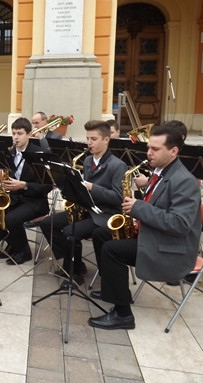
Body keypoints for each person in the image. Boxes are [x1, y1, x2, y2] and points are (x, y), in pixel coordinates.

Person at [88, 126, 201, 330]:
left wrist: (138, 207)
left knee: (112, 250)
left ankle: (123, 314)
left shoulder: (185, 181)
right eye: (149, 147)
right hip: (153, 234)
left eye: (155, 149)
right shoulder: (159, 171)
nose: (149, 153)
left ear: (173, 151)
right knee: (101, 233)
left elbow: (180, 224)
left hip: (171, 248)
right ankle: (114, 289)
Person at [39, 120, 126, 285]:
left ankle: (76, 274)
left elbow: (117, 197)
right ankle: (73, 263)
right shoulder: (87, 161)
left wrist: (93, 188)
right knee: (47, 224)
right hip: (86, 209)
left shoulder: (118, 165)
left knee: (70, 233)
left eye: (93, 139)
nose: (89, 143)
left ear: (106, 140)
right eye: (87, 138)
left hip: (104, 214)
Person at [0, 118, 52, 265]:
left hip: (35, 201)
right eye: (14, 133)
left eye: (20, 134)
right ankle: (13, 244)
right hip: (15, 198)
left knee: (11, 219)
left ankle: (24, 252)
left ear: (29, 134)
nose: (16, 137)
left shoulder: (39, 154)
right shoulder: (10, 152)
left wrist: (24, 185)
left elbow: (47, 186)